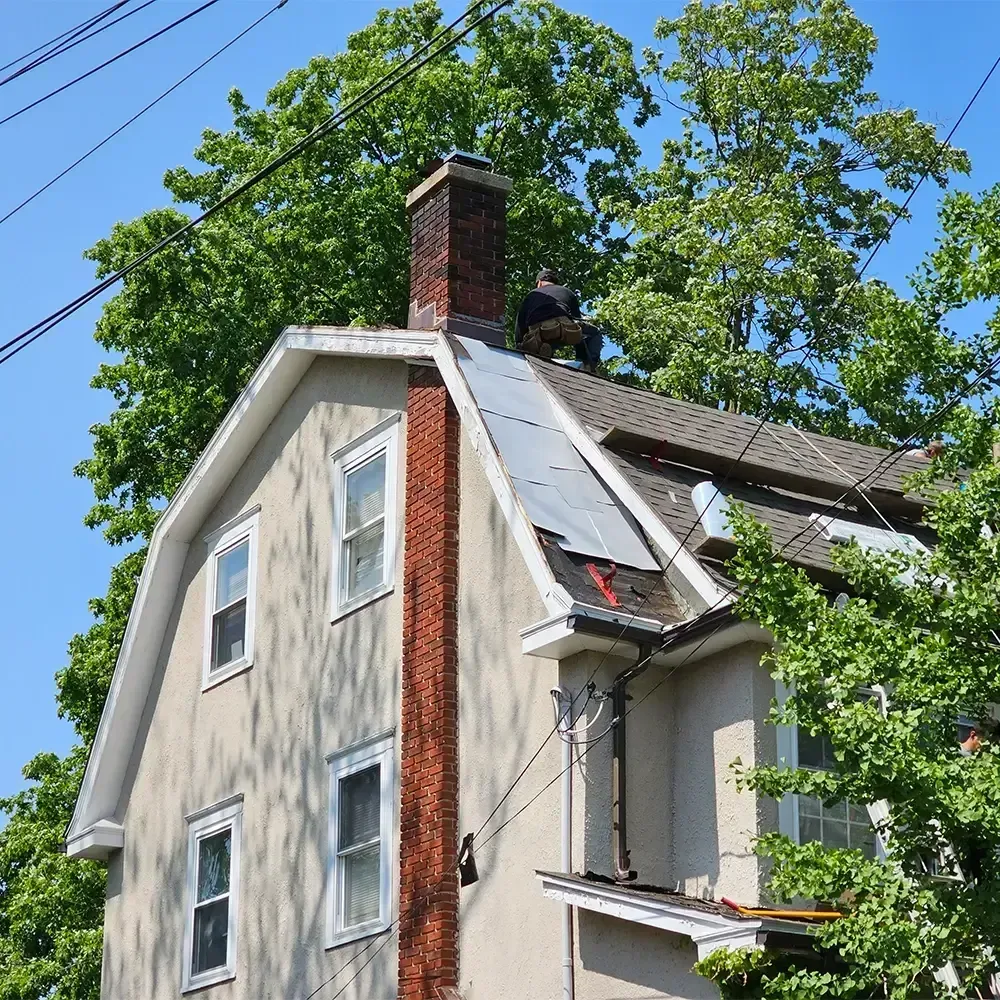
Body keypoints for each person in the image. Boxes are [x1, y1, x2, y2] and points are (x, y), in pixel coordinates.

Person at [515, 269, 603, 370]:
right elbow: (577, 320)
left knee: (534, 344)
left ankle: (540, 351)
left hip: (538, 332)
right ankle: (587, 364)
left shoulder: (530, 295)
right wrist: (582, 354)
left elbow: (520, 328)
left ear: (539, 283)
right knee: (593, 332)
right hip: (563, 328)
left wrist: (520, 347)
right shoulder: (567, 292)